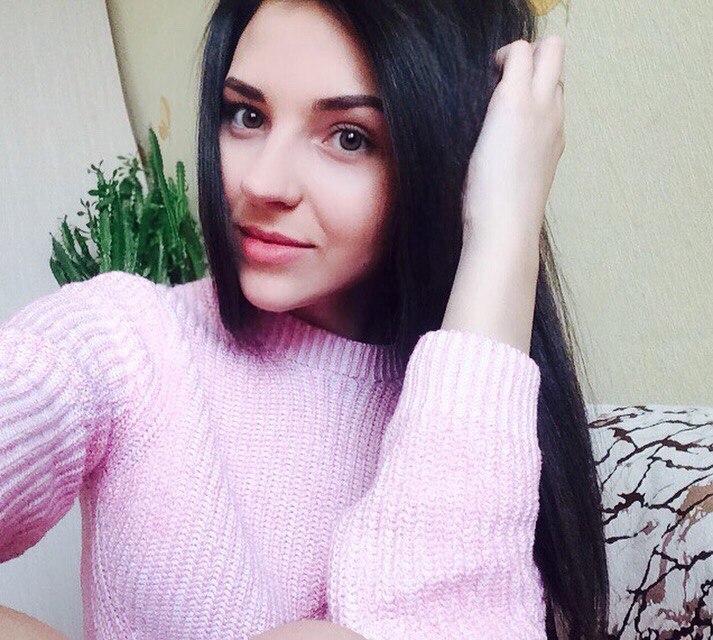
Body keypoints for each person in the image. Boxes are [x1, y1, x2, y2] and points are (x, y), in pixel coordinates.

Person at [0, 0, 610, 638]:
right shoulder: (126, 340)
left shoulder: (492, 422)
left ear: (452, 160)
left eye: (349, 137)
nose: (263, 183)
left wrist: (502, 235)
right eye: (247, 115)